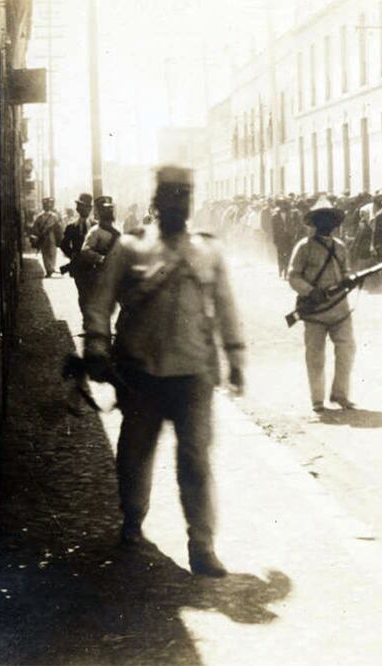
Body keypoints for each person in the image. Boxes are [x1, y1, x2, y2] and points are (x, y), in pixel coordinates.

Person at [83, 165, 245, 577]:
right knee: (134, 456)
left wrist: (236, 356)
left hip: (193, 374)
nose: (178, 205)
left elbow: (226, 307)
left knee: (195, 460)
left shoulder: (206, 251)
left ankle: (201, 545)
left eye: (185, 197)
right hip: (140, 374)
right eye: (171, 197)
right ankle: (133, 522)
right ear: (157, 202)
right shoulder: (131, 248)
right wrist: (98, 346)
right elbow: (100, 301)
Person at [287, 196, 357, 413]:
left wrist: (350, 278)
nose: (327, 224)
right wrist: (310, 291)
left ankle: (340, 395)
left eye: (330, 219)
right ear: (315, 223)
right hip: (315, 311)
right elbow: (293, 276)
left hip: (340, 309)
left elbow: (346, 271)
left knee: (346, 351)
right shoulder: (304, 247)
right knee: (315, 356)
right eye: (322, 219)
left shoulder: (341, 246)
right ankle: (317, 400)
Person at [61, 193, 95, 323]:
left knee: (93, 293)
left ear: (90, 208)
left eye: (86, 207)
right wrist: (73, 255)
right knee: (83, 294)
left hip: (94, 266)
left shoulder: (96, 226)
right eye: (81, 206)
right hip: (78, 266)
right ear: (77, 209)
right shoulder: (71, 227)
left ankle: (92, 319)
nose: (83, 209)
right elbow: (63, 244)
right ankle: (86, 319)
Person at [30, 197, 64, 277]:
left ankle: (50, 268)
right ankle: (49, 269)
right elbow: (35, 227)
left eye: (47, 205)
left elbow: (58, 227)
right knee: (47, 253)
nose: (46, 206)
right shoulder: (40, 217)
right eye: (45, 205)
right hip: (45, 236)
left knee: (51, 252)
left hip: (51, 236)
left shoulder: (52, 216)